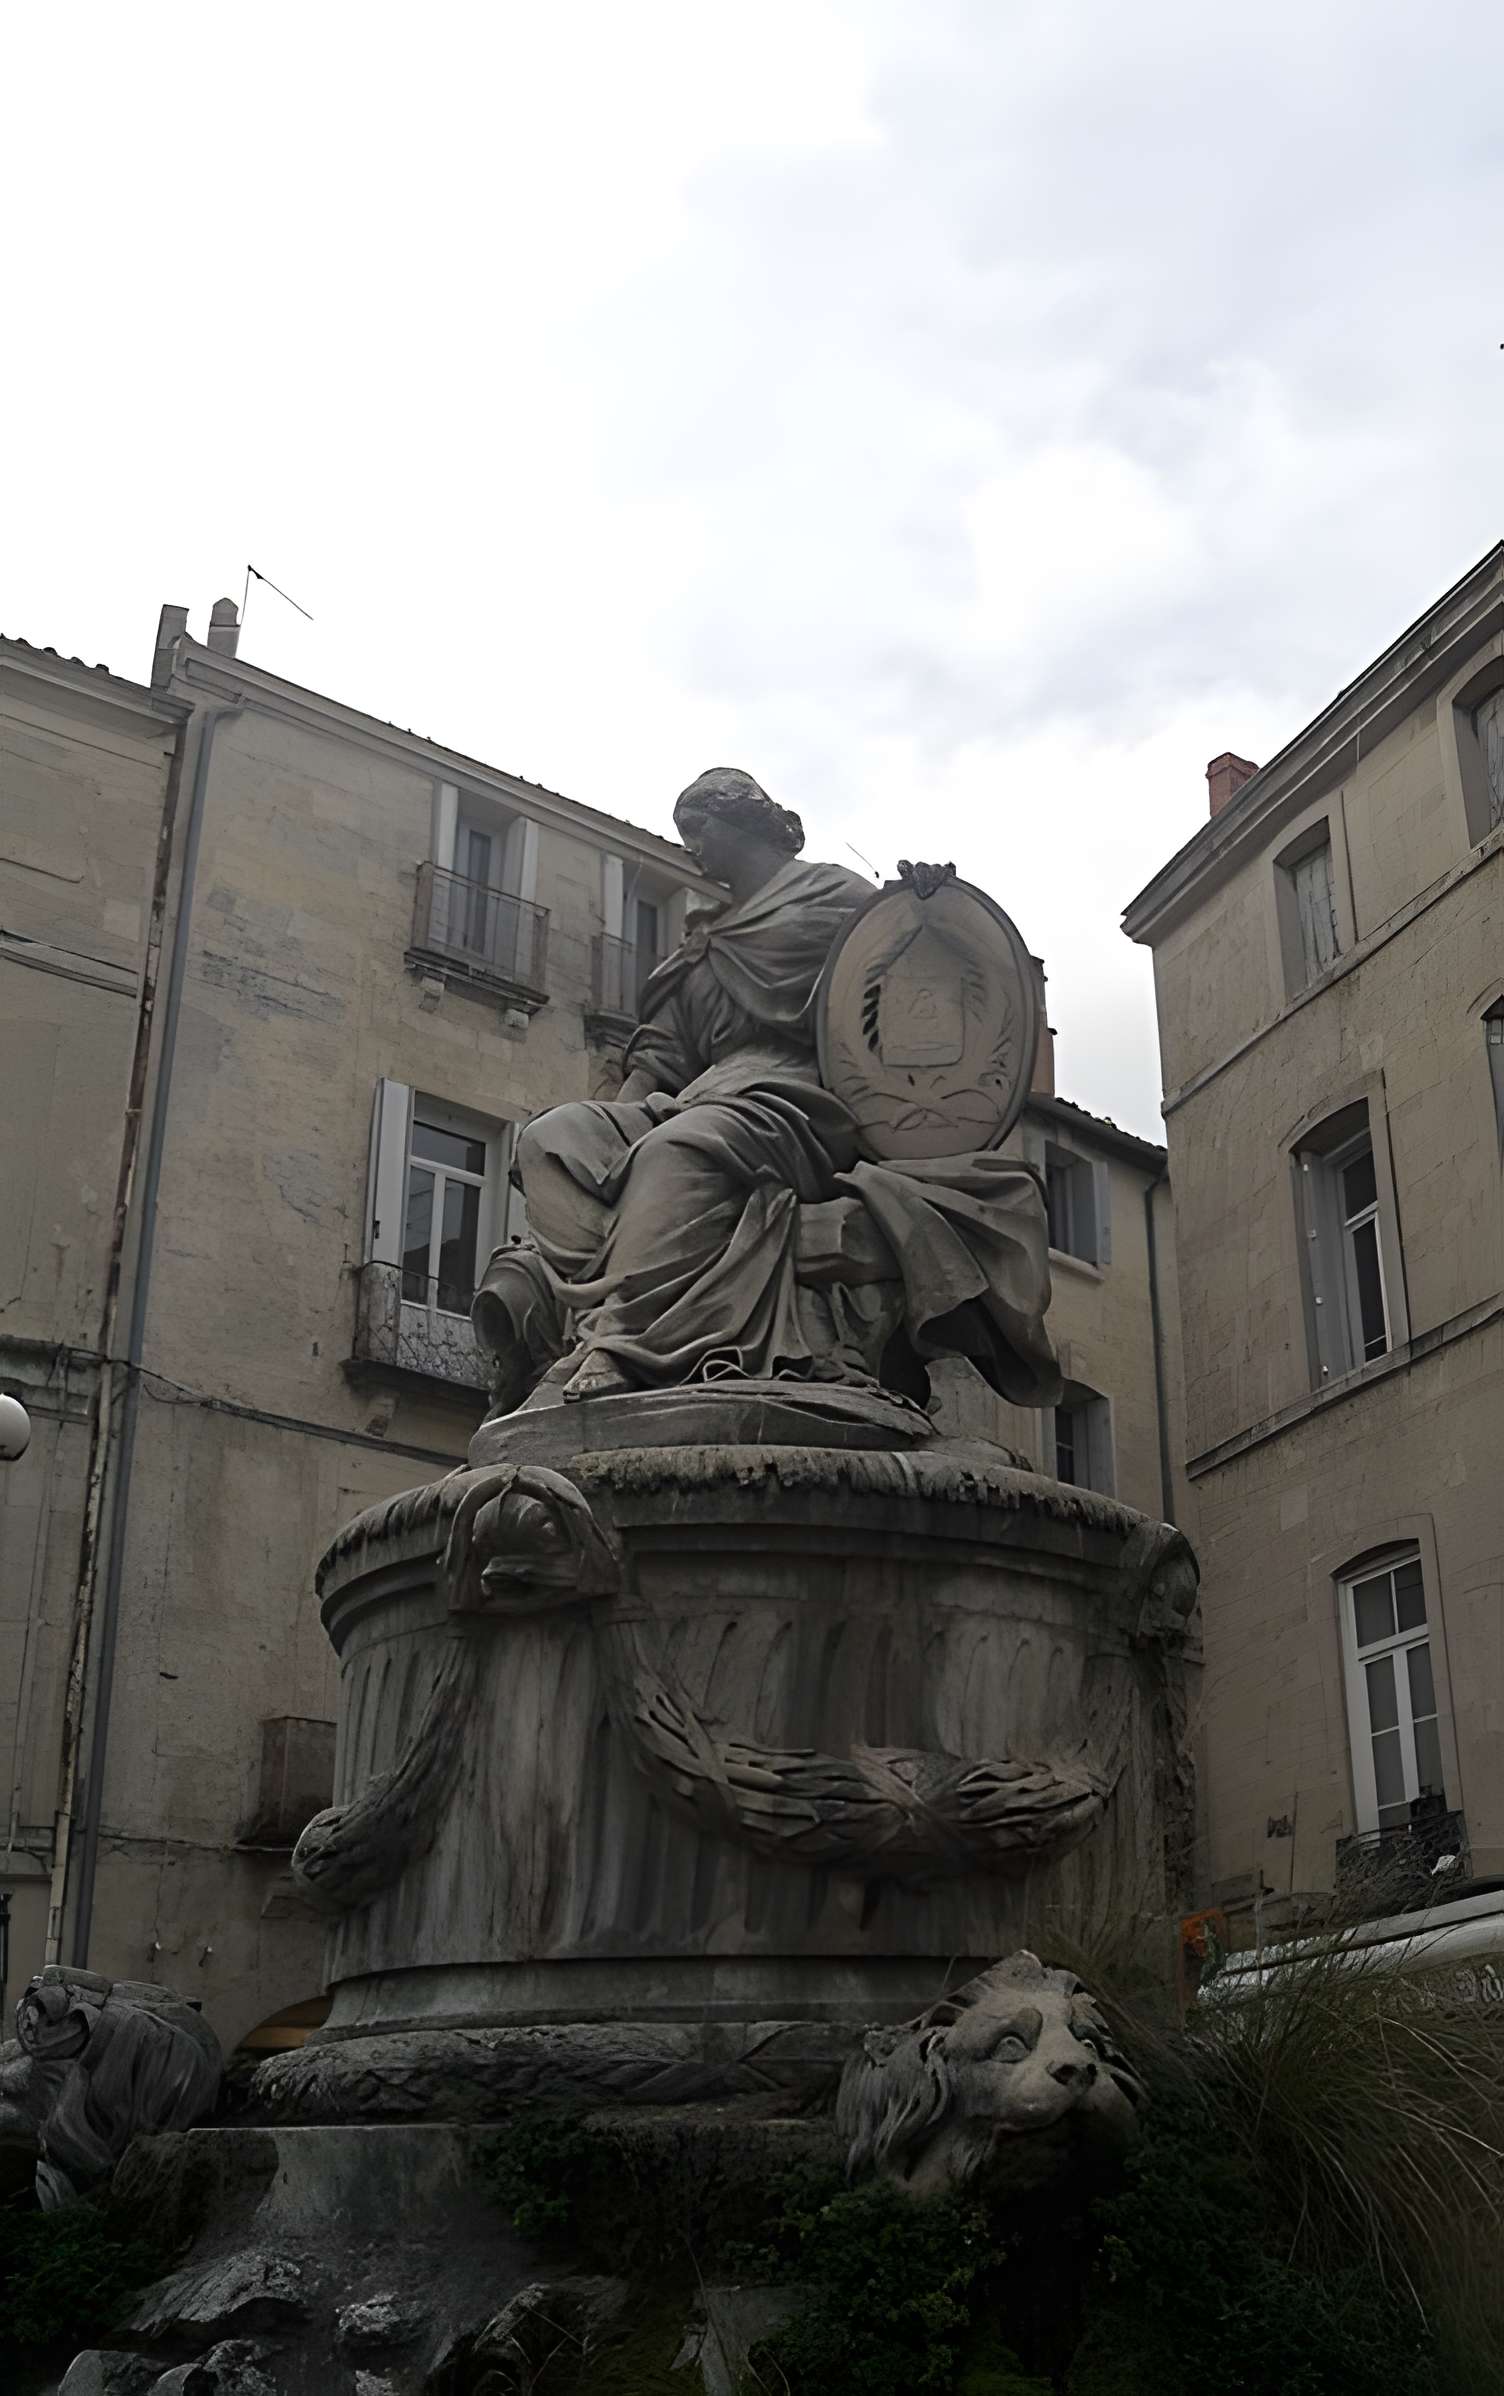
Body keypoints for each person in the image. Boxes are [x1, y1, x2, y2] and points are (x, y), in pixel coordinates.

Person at [474, 768, 1059, 1412]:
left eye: (697, 829)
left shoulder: (834, 896)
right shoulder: (704, 943)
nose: (691, 846)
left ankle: (624, 1341)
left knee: (680, 1150)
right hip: (698, 1098)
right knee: (552, 1139)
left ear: (738, 822)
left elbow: (906, 965)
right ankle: (613, 1308)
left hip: (797, 1099)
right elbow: (659, 1060)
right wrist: (603, 1133)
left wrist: (926, 905)